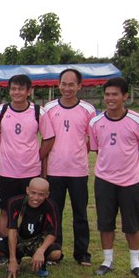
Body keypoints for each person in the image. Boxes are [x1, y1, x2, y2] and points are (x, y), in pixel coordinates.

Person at [0, 74, 55, 259]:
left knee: (27, 211)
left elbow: (49, 139)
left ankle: (24, 248)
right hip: (6, 171)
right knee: (4, 211)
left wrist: (36, 157)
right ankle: (4, 252)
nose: (16, 92)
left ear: (29, 91)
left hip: (30, 172)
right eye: (13, 89)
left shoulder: (38, 112)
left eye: (21, 89)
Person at [89, 77, 139, 278]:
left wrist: (125, 169)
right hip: (104, 181)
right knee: (105, 223)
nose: (110, 98)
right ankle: (107, 261)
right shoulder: (96, 122)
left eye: (115, 94)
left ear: (125, 96)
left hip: (131, 181)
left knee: (131, 224)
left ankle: (135, 263)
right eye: (107, 95)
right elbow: (98, 150)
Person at [43, 68, 96, 266]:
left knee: (80, 213)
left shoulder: (88, 110)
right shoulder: (49, 109)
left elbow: (92, 140)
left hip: (78, 171)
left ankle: (82, 253)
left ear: (79, 86)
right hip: (54, 170)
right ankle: (54, 252)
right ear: (58, 85)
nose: (67, 88)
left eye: (71, 84)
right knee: (54, 213)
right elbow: (46, 140)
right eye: (64, 84)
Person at [0, 177, 62, 278]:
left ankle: (41, 263)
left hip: (37, 241)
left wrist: (41, 251)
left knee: (56, 253)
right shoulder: (14, 202)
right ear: (27, 190)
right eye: (33, 193)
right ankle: (16, 260)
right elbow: (12, 231)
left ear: (47, 194)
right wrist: (12, 258)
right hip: (19, 240)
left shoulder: (51, 206)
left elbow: (53, 233)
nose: (36, 198)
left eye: (41, 194)